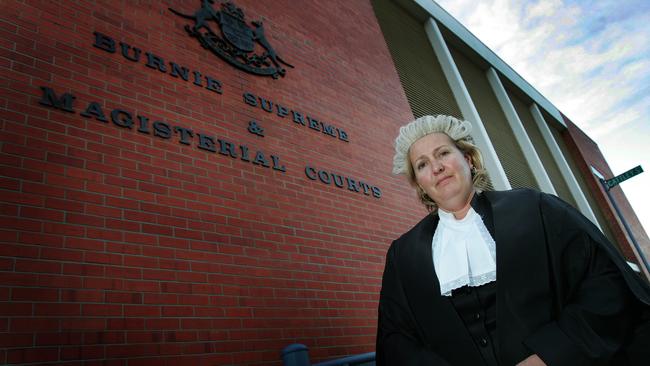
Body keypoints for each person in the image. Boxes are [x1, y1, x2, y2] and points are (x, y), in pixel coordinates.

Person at [376, 115, 650, 365]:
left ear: (469, 159)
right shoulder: (403, 254)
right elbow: (396, 340)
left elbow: (606, 284)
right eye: (422, 164)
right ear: (420, 183)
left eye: (443, 153)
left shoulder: (537, 208)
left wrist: (550, 353)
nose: (436, 168)